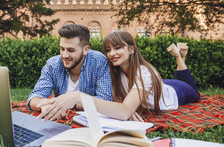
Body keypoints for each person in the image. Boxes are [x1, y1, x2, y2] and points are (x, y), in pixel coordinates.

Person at [37, 31, 200, 122]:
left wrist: (79, 97)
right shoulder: (113, 70)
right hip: (150, 85)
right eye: (108, 50)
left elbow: (123, 112)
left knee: (193, 90)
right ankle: (179, 58)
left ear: (131, 49)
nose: (112, 54)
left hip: (176, 92)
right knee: (156, 82)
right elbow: (115, 103)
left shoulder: (144, 72)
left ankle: (179, 57)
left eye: (117, 48)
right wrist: (127, 107)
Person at [27, 24, 113, 119]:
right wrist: (45, 105)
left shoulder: (99, 62)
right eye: (62, 49)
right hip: (60, 120)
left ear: (85, 49)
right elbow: (35, 97)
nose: (64, 55)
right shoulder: (53, 64)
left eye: (71, 50)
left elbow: (105, 101)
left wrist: (72, 103)